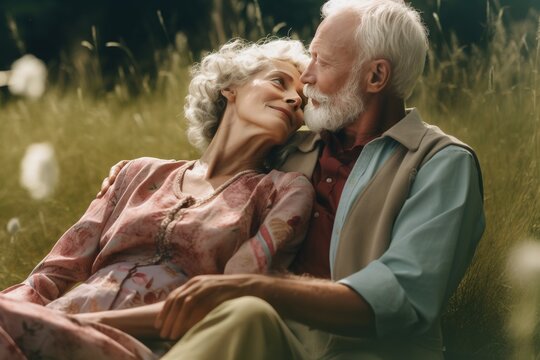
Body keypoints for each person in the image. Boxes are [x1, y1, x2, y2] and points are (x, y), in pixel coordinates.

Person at [100, 0, 485, 358]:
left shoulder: (441, 164)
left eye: (322, 61)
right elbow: (216, 174)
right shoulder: (288, 148)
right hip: (252, 341)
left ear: (376, 75)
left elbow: (401, 296)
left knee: (248, 314)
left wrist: (260, 287)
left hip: (357, 352)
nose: (308, 76)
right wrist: (135, 174)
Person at [0, 38, 314, 359]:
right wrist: (22, 315)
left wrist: (75, 322)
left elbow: (219, 301)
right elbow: (50, 276)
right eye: (279, 82)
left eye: (303, 102)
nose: (292, 99)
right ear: (230, 87)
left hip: (145, 346)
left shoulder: (283, 192)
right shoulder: (137, 173)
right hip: (45, 330)